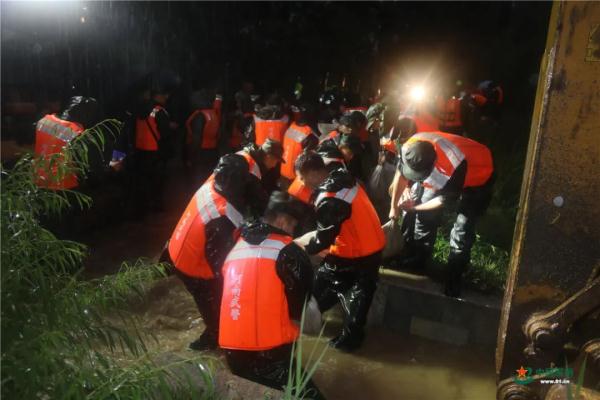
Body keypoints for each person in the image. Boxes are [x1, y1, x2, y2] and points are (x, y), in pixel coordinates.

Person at [219, 192, 323, 398]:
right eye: (293, 226)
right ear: (283, 221)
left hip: (232, 352)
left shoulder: (235, 249)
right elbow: (300, 309)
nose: (293, 232)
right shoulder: (289, 253)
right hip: (266, 353)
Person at [294, 152, 385, 352]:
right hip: (370, 243)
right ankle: (345, 333)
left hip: (356, 251)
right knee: (347, 286)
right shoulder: (342, 177)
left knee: (354, 293)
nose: (301, 183)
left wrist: (300, 247)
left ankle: (350, 340)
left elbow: (323, 239)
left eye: (302, 177)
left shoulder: (330, 198)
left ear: (313, 173)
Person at [388, 131, 494, 297]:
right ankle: (419, 260)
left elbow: (443, 201)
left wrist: (414, 208)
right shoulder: (410, 146)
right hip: (447, 172)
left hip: (479, 177)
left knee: (462, 228)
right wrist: (393, 207)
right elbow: (400, 175)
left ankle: (454, 277)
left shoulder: (455, 164)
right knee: (425, 216)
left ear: (433, 165)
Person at [166, 154, 249, 350]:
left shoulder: (212, 182)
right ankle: (211, 341)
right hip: (192, 268)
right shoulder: (220, 218)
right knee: (217, 308)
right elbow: (220, 266)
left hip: (175, 247)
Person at [34, 96, 101, 190]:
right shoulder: (76, 133)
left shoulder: (44, 121)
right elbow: (87, 167)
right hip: (63, 186)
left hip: (38, 180)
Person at [130, 86, 175, 216]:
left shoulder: (138, 110)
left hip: (141, 150)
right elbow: (164, 134)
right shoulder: (159, 111)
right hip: (155, 151)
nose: (166, 98)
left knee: (143, 180)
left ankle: (142, 209)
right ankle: (156, 206)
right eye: (164, 95)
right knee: (157, 181)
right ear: (157, 96)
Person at [236, 139, 285, 216]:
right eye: (276, 161)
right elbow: (257, 197)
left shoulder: (249, 154)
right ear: (269, 156)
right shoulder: (253, 168)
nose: (274, 165)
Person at [183, 90, 221, 181]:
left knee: (197, 180)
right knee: (208, 179)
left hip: (200, 153)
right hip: (212, 152)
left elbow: (196, 139)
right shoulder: (213, 113)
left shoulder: (199, 115)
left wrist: (190, 156)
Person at [280, 104, 319, 182]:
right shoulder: (309, 135)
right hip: (295, 178)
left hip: (283, 171)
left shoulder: (292, 126)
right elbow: (309, 161)